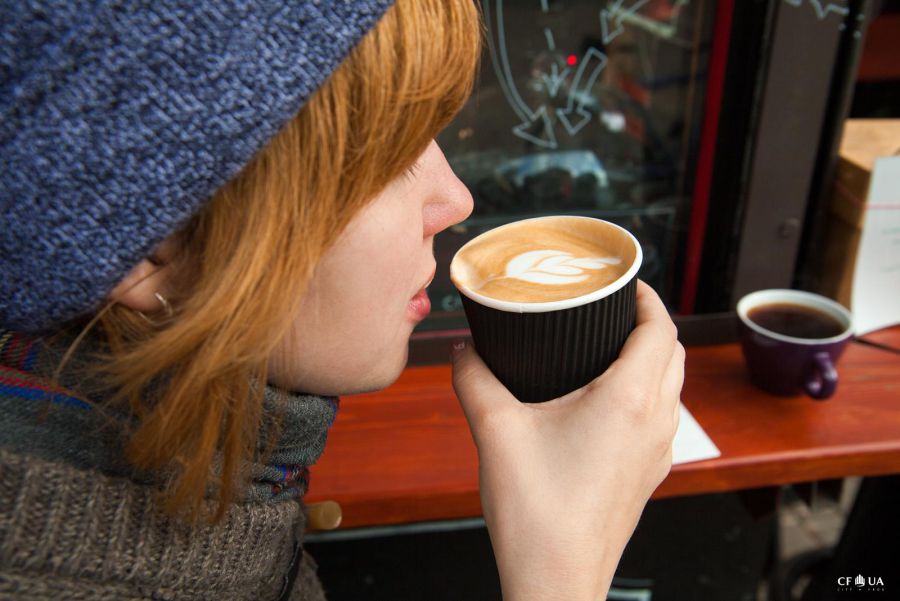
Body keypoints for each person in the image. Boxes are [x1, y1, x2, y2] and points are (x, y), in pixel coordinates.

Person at [0, 1, 684, 599]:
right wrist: (562, 570)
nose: (457, 201)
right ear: (157, 248)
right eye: (389, 159)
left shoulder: (225, 478)